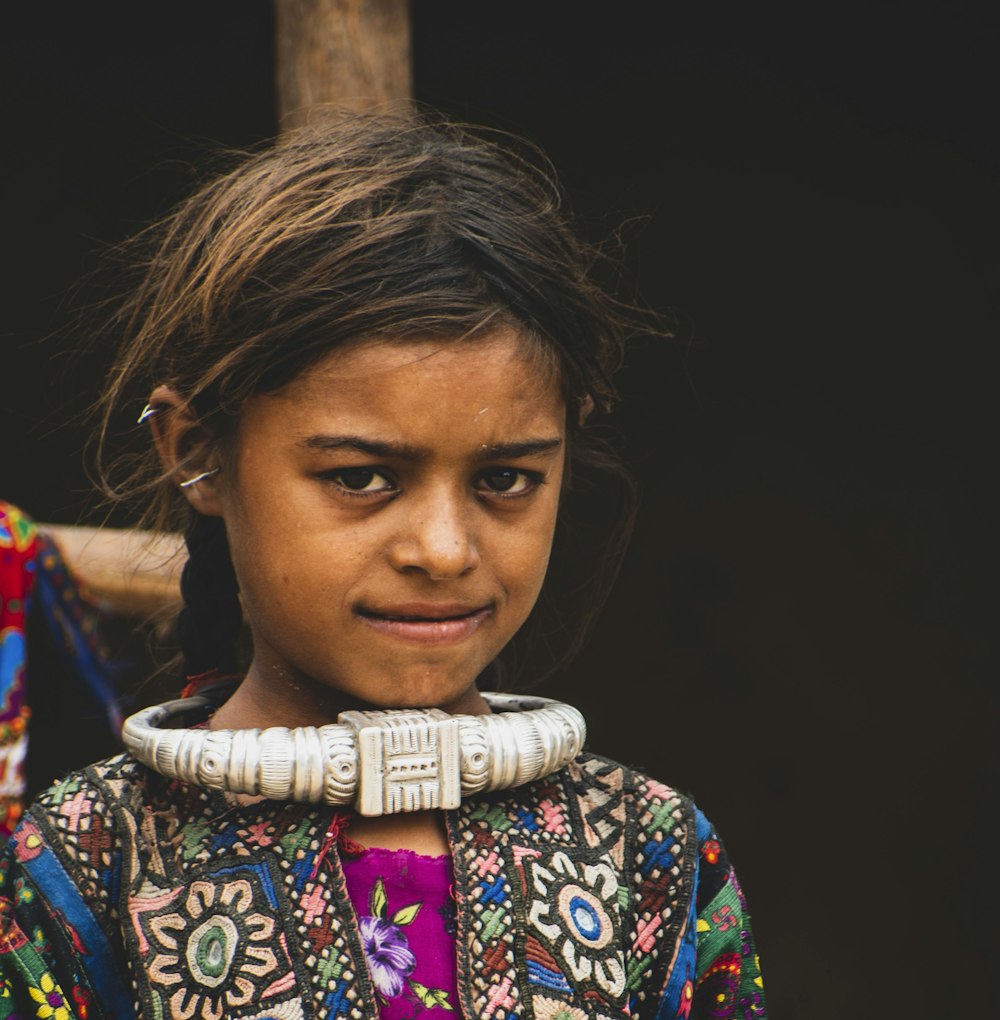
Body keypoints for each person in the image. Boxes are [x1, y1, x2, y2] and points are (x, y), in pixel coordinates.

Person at [0, 113, 766, 1020]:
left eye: (507, 479)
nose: (443, 550)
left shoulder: (652, 853)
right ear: (196, 451)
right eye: (362, 477)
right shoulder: (88, 860)